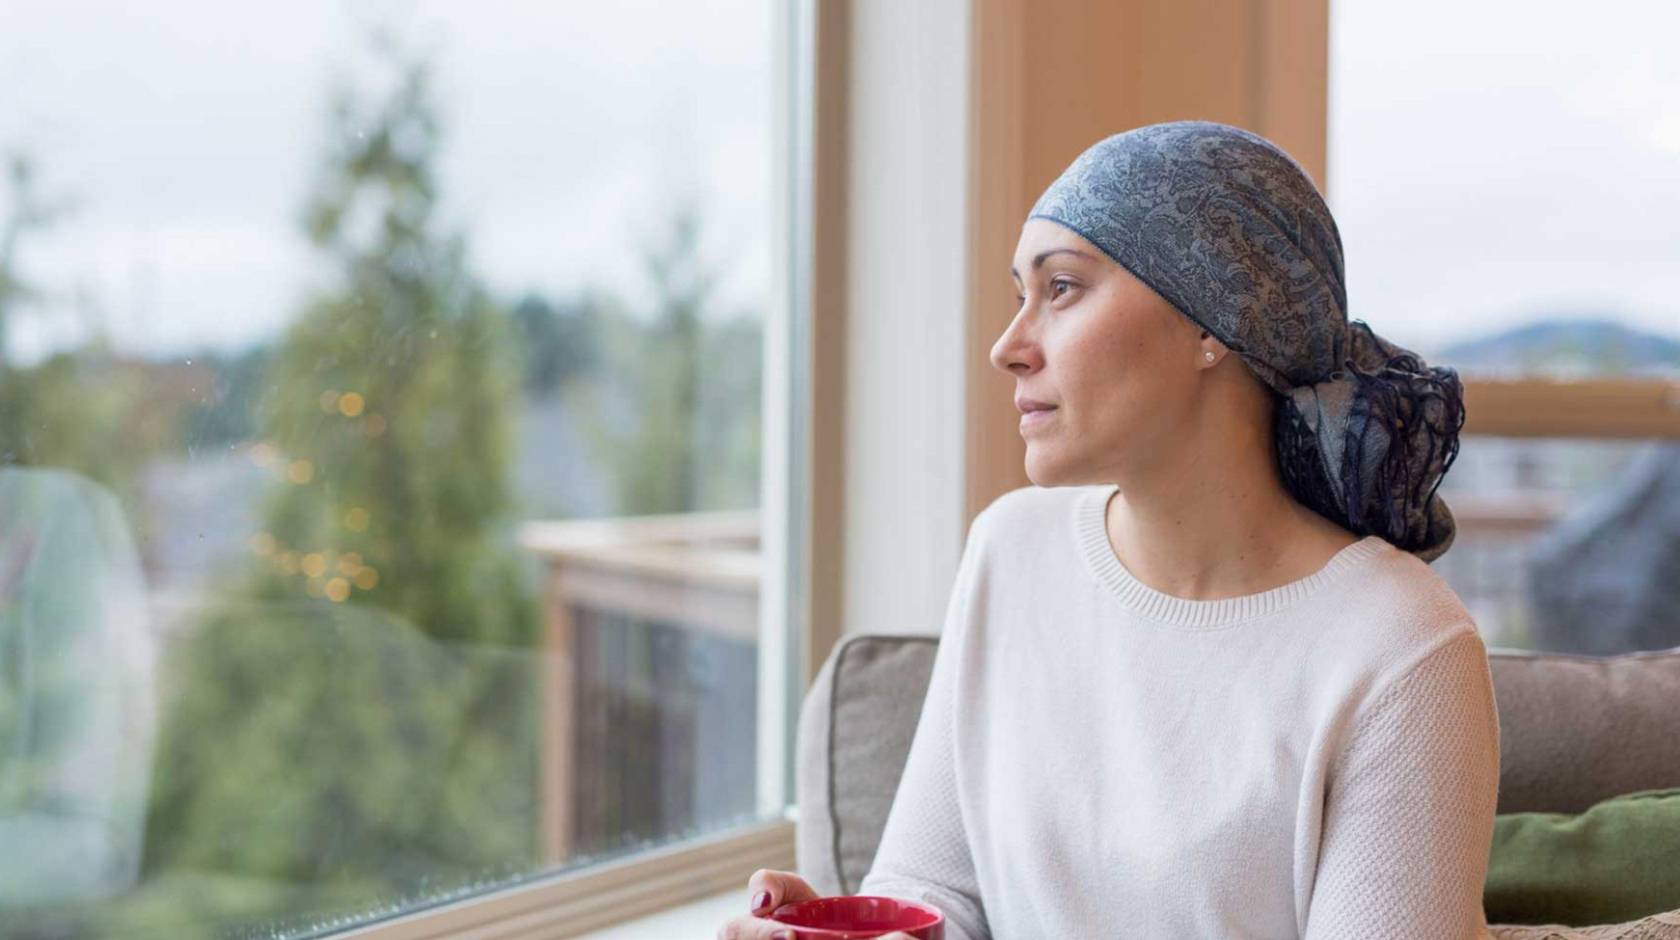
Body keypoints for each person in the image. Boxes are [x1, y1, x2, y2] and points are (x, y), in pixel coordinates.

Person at [718, 121, 1496, 939]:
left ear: (1212, 322)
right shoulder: (1010, 551)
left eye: (1061, 288)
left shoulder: (1405, 648)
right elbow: (936, 891)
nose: (1008, 347)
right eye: (1018, 293)